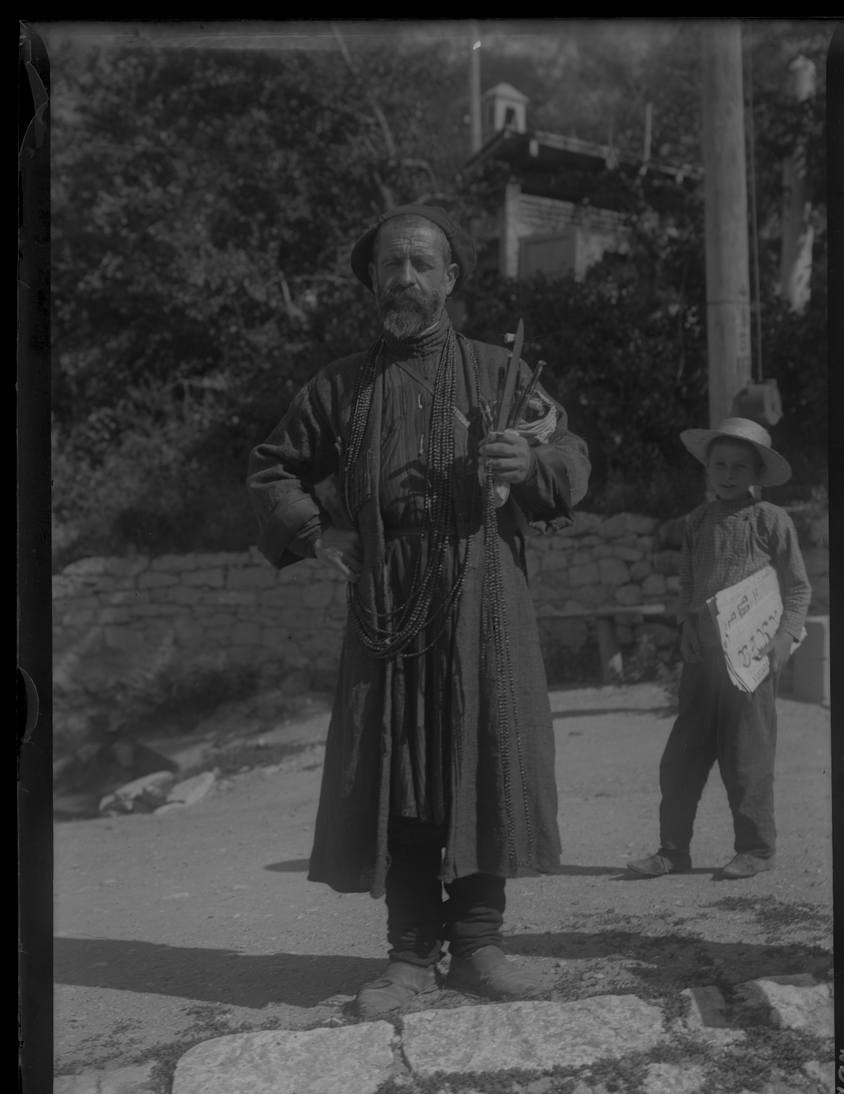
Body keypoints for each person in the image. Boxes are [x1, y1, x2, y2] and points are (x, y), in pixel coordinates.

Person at [248, 205, 591, 1017]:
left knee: (483, 754)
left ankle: (478, 946)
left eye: (420, 264)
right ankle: (407, 956)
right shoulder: (338, 385)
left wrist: (528, 461)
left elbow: (570, 458)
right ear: (372, 279)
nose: (404, 278)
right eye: (390, 265)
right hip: (388, 592)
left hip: (484, 583)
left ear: (449, 278)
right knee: (398, 765)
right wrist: (318, 531)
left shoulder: (499, 371)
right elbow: (271, 471)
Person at [627, 417, 812, 881]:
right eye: (720, 464)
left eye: (739, 467)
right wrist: (686, 625)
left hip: (750, 661)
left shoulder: (771, 520)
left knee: (747, 757)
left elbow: (798, 588)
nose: (728, 474)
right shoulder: (697, 521)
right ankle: (672, 851)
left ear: (757, 474)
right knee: (681, 757)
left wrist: (784, 638)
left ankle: (756, 849)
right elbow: (689, 583)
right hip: (703, 660)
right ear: (707, 467)